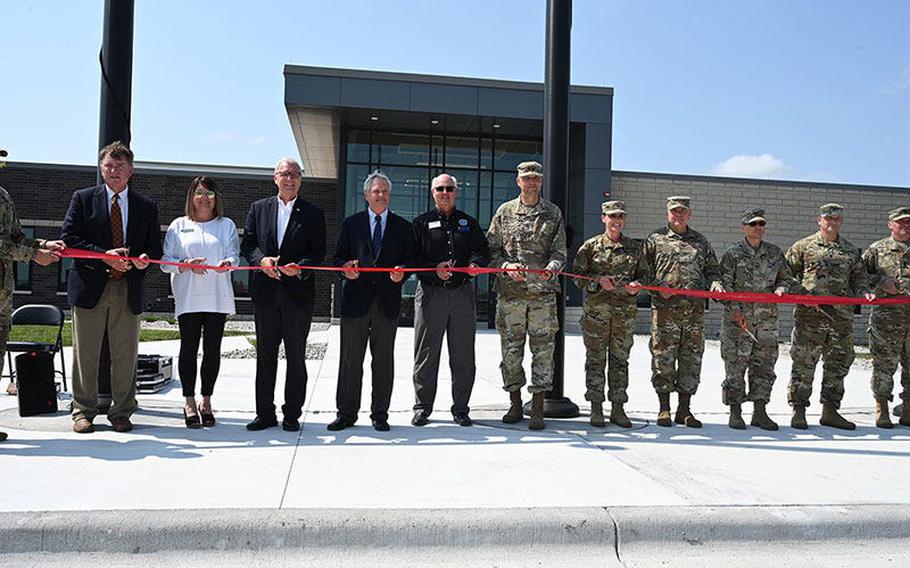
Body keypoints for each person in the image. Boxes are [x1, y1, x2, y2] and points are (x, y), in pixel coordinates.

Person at [61, 141, 162, 434]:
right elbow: (69, 239)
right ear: (100, 169)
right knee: (86, 353)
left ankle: (122, 412)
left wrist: (145, 260)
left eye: (120, 165)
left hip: (127, 289)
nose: (114, 170)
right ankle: (82, 411)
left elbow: (153, 247)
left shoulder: (146, 206)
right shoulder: (83, 199)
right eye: (109, 165)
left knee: (125, 353)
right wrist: (106, 257)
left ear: (131, 170)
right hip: (91, 287)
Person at [241, 158, 326, 432]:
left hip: (297, 295)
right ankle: (265, 413)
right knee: (265, 355)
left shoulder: (313, 213)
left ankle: (292, 413)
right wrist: (262, 260)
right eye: (285, 174)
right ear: (275, 178)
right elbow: (249, 244)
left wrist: (299, 267)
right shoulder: (258, 208)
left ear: (301, 180)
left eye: (295, 174)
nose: (290, 178)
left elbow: (319, 251)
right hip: (265, 294)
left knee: (296, 356)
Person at [328, 171, 415, 433]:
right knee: (350, 360)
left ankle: (380, 414)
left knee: (383, 361)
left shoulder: (403, 226)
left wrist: (403, 271)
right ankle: (346, 413)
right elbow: (338, 259)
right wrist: (345, 268)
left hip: (387, 303)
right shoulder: (351, 224)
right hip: (356, 302)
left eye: (385, 191)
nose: (381, 195)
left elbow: (411, 261)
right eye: (376, 191)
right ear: (366, 195)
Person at [486, 161, 567, 431]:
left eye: (536, 178)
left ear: (541, 182)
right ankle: (515, 401)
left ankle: (538, 406)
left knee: (543, 351)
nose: (531, 182)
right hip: (511, 297)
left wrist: (553, 268)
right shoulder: (504, 212)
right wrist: (506, 267)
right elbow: (491, 251)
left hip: (542, 296)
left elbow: (560, 252)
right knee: (511, 352)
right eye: (527, 178)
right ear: (518, 181)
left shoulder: (552, 213)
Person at [410, 173, 489, 427]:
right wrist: (434, 268)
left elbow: (481, 250)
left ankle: (461, 408)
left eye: (449, 188)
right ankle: (422, 407)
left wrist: (476, 263)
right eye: (440, 188)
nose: (445, 192)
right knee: (426, 353)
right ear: (432, 193)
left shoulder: (469, 222)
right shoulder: (421, 223)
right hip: (431, 294)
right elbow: (412, 259)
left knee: (463, 354)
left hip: (462, 294)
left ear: (456, 192)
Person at [786, 203, 874, 430]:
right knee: (804, 362)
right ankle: (799, 410)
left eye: (836, 219)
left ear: (841, 222)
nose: (831, 223)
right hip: (810, 317)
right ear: (819, 220)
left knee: (838, 363)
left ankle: (830, 411)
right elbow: (785, 275)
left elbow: (859, 279)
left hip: (840, 319)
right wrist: (802, 294)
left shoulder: (850, 251)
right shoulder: (803, 246)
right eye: (828, 219)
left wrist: (864, 292)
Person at [161, 177, 239, 428]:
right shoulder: (178, 225)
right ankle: (189, 401)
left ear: (217, 199)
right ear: (191, 197)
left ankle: (206, 400)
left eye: (210, 194)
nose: (204, 198)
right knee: (189, 349)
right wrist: (184, 266)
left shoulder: (226, 225)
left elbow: (234, 256)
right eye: (199, 193)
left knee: (212, 350)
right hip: (189, 297)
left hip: (217, 297)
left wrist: (228, 263)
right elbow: (164, 262)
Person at [642, 196, 723, 428]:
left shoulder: (700, 241)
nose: (678, 215)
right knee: (663, 359)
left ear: (689, 214)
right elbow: (642, 273)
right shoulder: (655, 239)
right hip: (665, 312)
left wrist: (716, 284)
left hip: (694, 314)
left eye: (683, 211)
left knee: (691, 360)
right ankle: (664, 408)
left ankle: (684, 409)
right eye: (674, 211)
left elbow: (712, 271)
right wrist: (658, 287)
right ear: (668, 213)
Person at [0, 155, 65, 442]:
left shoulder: (3, 196)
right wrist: (33, 256)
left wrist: (42, 244)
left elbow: (15, 235)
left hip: (3, 292)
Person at [571, 200, 647, 428]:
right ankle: (596, 408)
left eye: (620, 217)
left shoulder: (635, 248)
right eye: (612, 216)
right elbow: (577, 277)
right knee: (595, 361)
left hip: (624, 317)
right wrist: (597, 281)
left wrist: (638, 285)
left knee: (620, 361)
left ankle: (618, 407)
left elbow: (646, 276)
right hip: (597, 317)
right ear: (603, 218)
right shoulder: (590, 246)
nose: (616, 221)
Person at [719, 208, 793, 431]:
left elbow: (787, 279)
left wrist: (781, 288)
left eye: (761, 224)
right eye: (753, 224)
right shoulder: (733, 253)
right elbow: (724, 286)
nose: (758, 228)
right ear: (744, 227)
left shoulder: (774, 253)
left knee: (765, 367)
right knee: (735, 367)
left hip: (767, 321)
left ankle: (760, 412)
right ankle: (735, 412)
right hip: (738, 322)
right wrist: (735, 310)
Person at [862, 206, 910, 428]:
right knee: (883, 365)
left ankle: (908, 409)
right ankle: (882, 409)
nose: (906, 226)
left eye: (909, 222)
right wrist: (882, 284)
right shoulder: (877, 249)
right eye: (901, 222)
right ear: (891, 224)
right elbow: (860, 276)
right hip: (886, 319)